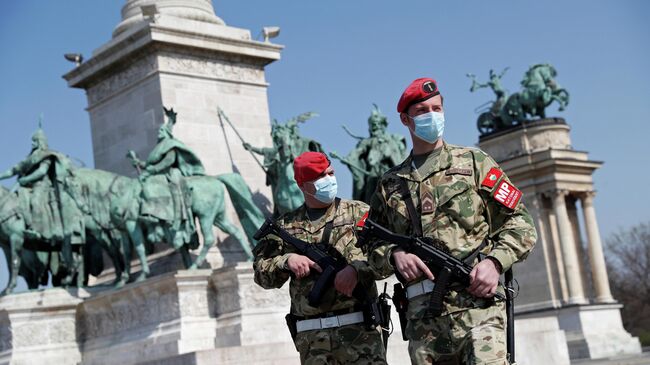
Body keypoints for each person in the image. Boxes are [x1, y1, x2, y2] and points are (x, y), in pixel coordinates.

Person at [365, 78, 537, 364]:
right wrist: (394, 256)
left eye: (437, 108)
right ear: (405, 119)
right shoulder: (390, 184)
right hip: (422, 321)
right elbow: (368, 243)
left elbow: (521, 223)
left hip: (479, 310)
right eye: (422, 111)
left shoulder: (475, 163)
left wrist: (494, 262)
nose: (432, 116)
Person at [253, 151, 387, 364]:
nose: (329, 180)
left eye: (330, 173)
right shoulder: (285, 226)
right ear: (303, 185)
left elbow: (385, 256)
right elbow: (261, 275)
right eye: (320, 177)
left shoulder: (359, 213)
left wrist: (356, 269)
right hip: (313, 339)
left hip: (359, 333)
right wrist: (286, 261)